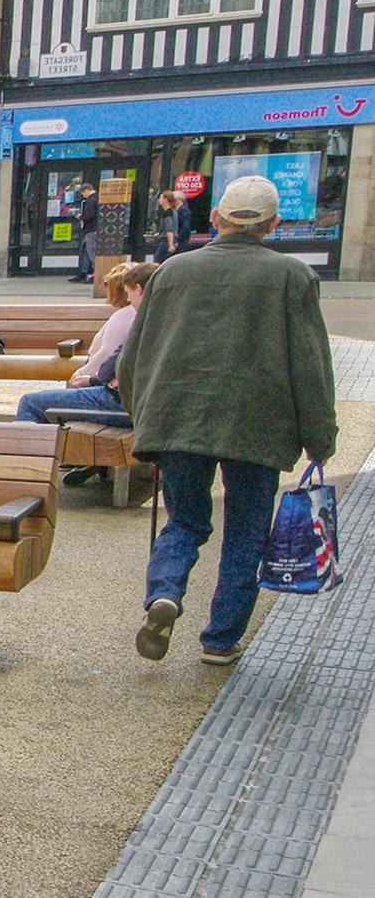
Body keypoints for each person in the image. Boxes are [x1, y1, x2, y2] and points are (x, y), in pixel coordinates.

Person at [120, 175, 337, 667]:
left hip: (181, 420)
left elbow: (134, 360)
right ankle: (220, 639)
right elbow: (311, 366)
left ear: (214, 219)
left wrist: (144, 418)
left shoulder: (171, 273)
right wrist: (319, 436)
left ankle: (165, 593)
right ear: (274, 225)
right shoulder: (293, 277)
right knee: (246, 531)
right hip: (257, 425)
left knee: (185, 520)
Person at [14, 261, 154, 489]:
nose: (129, 300)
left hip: (121, 402)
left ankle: (26, 479)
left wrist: (96, 378)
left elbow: (115, 362)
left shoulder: (140, 319)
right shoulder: (166, 319)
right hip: (143, 404)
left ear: (138, 289)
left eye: (130, 294)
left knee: (30, 403)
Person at [151, 191, 181, 262]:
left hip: (166, 241)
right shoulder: (174, 211)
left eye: (161, 198)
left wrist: (170, 244)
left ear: (166, 200)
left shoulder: (168, 212)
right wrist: (159, 234)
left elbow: (169, 229)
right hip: (171, 239)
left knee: (157, 261)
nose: (159, 200)